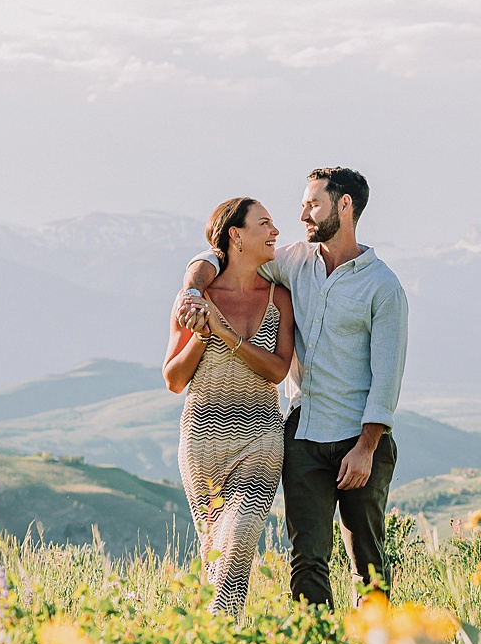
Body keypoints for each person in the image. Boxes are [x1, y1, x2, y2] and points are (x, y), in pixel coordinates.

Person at [174, 166, 408, 607]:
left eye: (312, 204)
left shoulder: (383, 287)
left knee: (368, 566)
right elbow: (219, 256)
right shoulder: (293, 261)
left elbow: (387, 376)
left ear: (345, 206)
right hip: (302, 436)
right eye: (303, 204)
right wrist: (192, 290)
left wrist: (366, 446)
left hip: (360, 442)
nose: (302, 214)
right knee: (306, 561)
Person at [162, 196, 295, 618]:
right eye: (265, 223)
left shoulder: (280, 297)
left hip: (260, 438)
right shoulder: (194, 298)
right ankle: (223, 643)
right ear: (236, 235)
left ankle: (219, 632)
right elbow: (173, 379)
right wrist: (202, 336)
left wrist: (224, 331)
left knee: (238, 539)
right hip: (202, 442)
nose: (275, 232)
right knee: (216, 553)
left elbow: (277, 371)